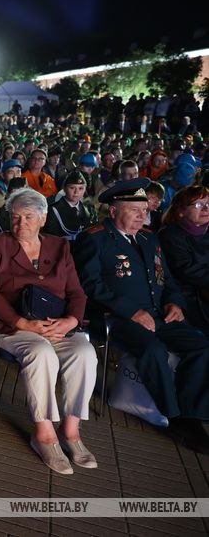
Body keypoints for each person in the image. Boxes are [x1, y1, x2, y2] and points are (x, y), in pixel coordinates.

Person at [74, 178, 209, 454]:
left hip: (159, 315)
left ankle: (192, 411)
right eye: (134, 210)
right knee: (153, 350)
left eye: (145, 210)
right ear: (113, 210)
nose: (142, 216)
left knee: (202, 345)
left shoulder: (150, 238)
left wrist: (175, 303)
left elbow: (167, 279)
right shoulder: (95, 238)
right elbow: (89, 284)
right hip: (115, 318)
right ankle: (175, 417)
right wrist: (131, 311)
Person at [0, 187, 97, 474]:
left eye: (28, 217)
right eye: (15, 217)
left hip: (57, 326)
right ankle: (44, 434)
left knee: (85, 352)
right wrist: (24, 324)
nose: (21, 224)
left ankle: (71, 431)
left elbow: (77, 294)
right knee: (41, 354)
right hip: (16, 327)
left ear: (43, 219)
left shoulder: (59, 246)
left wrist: (70, 322)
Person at [157, 185, 209, 330]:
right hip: (187, 295)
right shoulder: (170, 235)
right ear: (181, 211)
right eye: (198, 204)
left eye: (208, 204)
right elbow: (186, 270)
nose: (205, 208)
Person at [43, 171, 98, 240]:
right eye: (72, 188)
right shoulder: (54, 210)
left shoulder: (90, 209)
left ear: (85, 190)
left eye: (81, 188)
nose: (76, 192)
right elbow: (50, 238)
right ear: (64, 189)